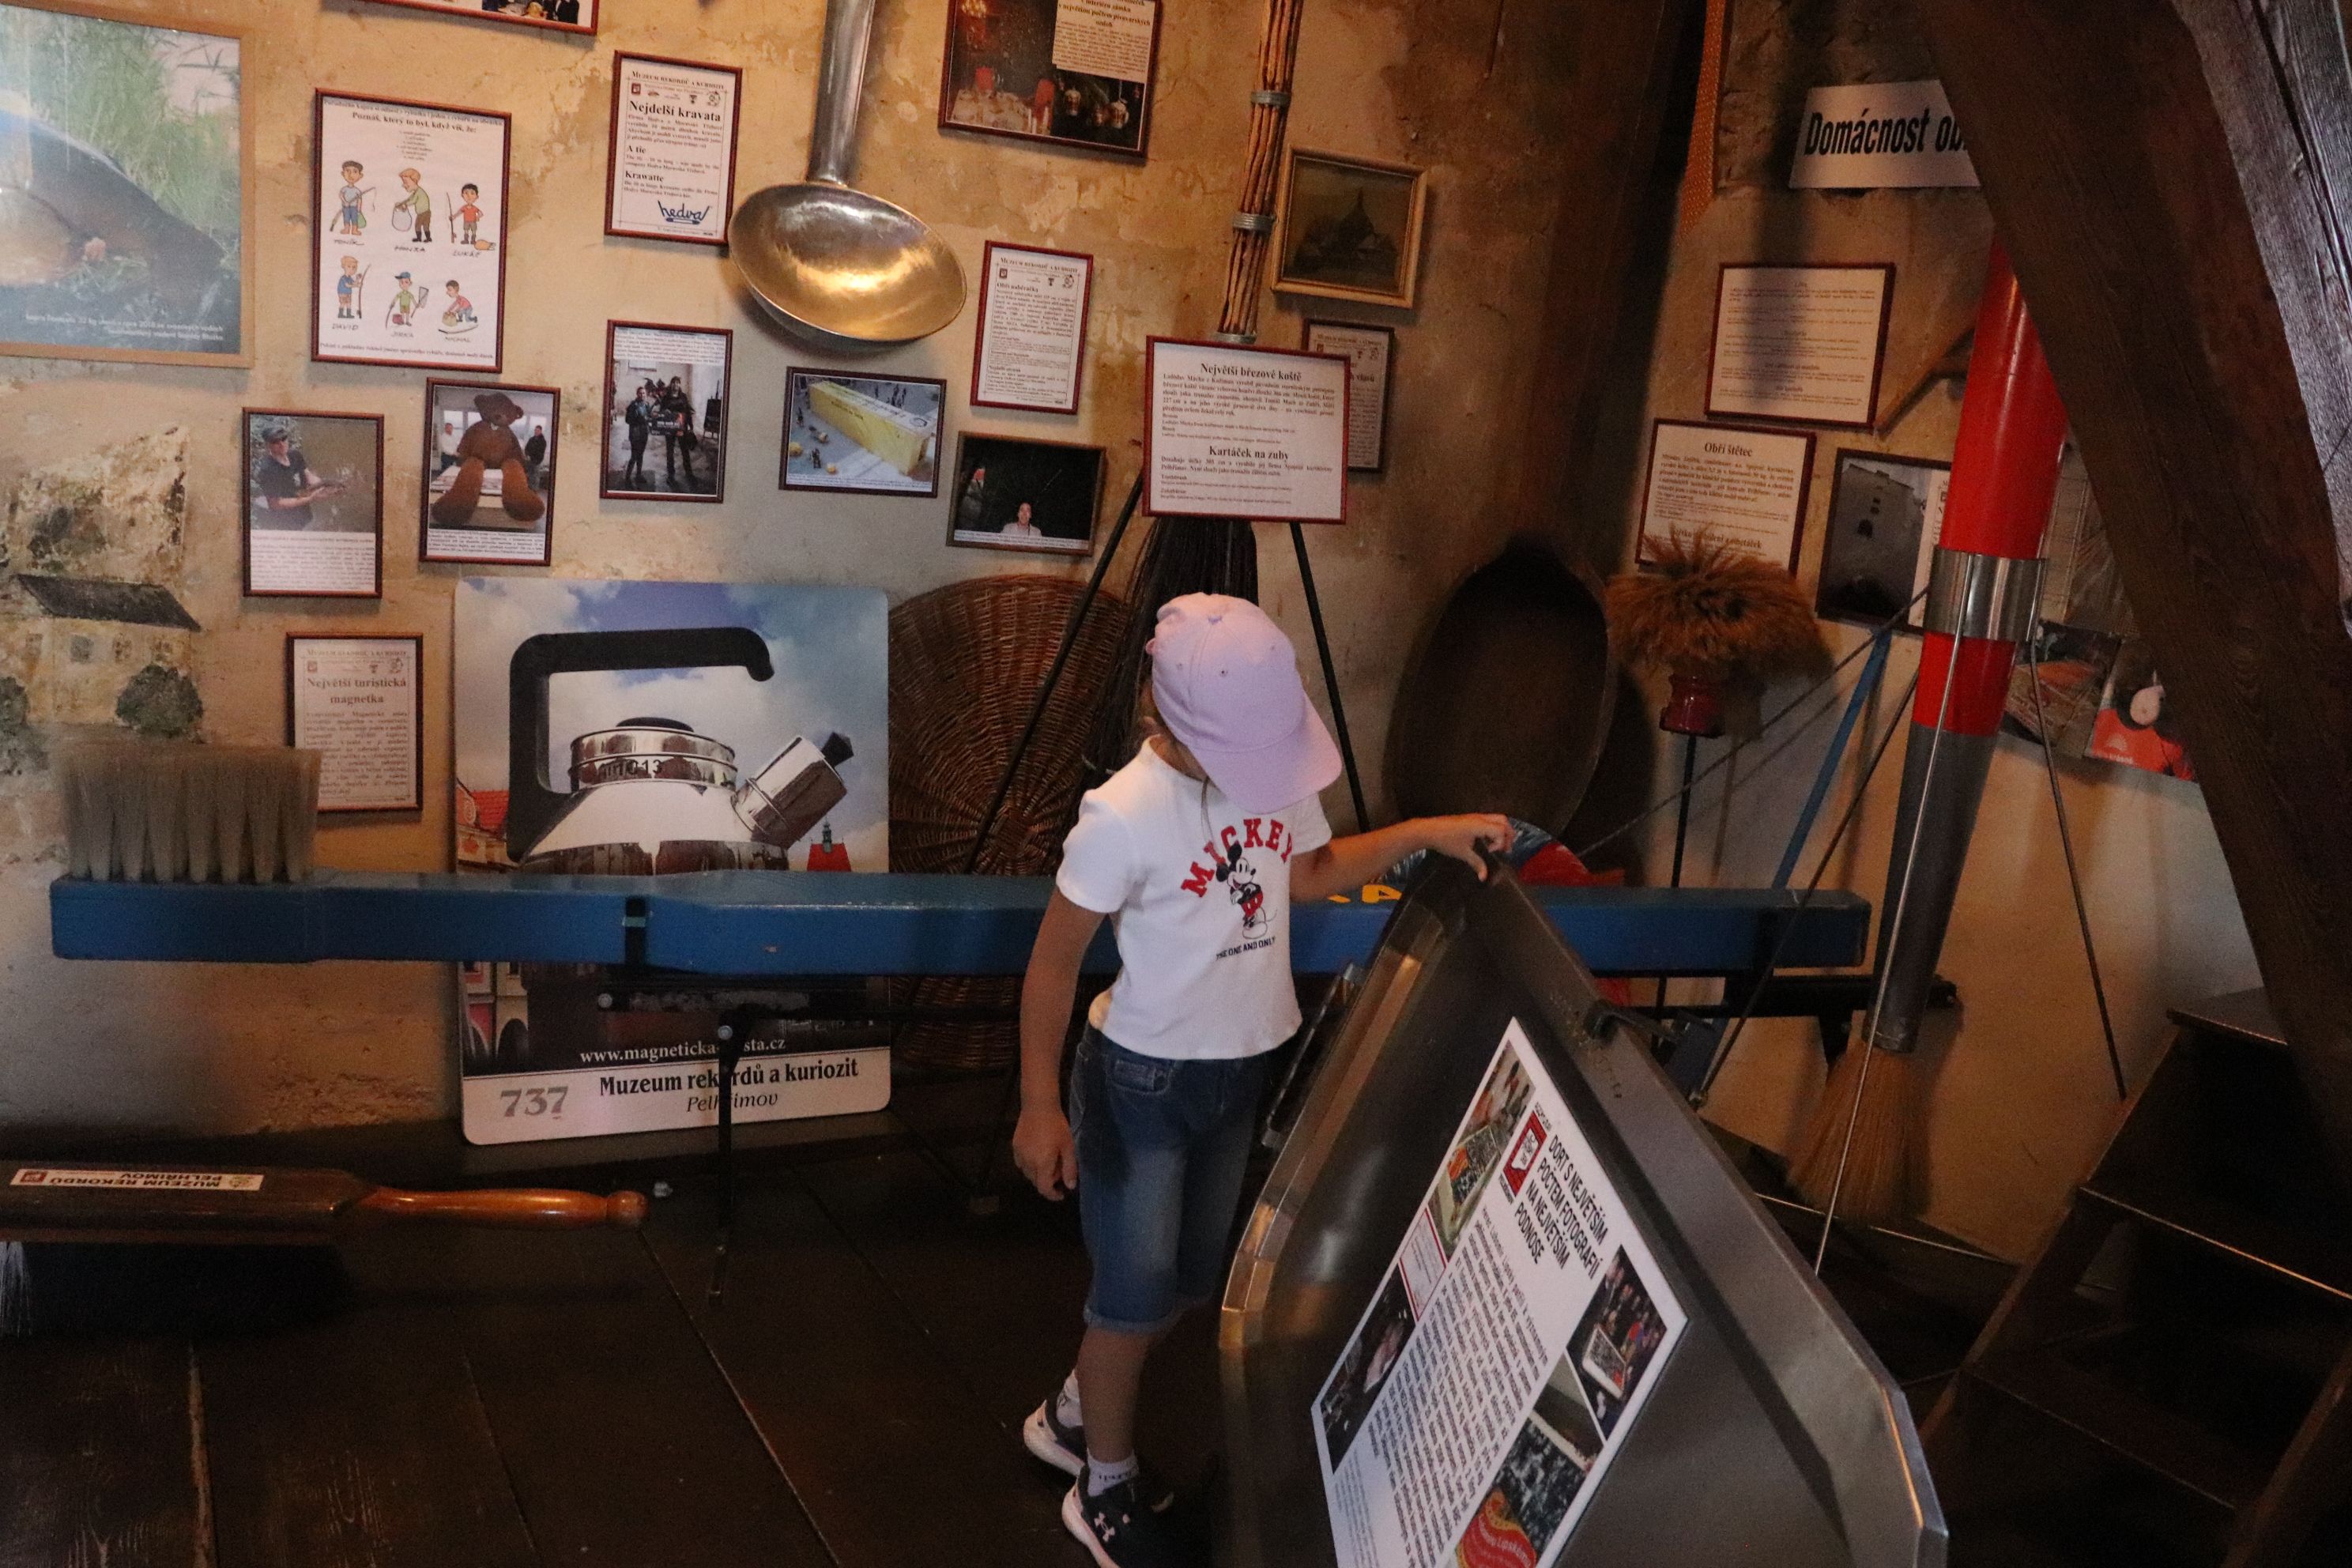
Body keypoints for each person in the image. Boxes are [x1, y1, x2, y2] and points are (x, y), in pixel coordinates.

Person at [1012, 594, 1508, 1566]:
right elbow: (1054, 962)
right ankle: (1100, 1483)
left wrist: (1425, 830)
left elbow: (1309, 871)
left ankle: (1072, 1415)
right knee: (1130, 1299)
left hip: (1238, 1068)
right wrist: (1038, 1104)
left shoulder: (1268, 774)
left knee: (1190, 1283)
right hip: (1141, 1085)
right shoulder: (1122, 815)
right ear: (1166, 717)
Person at [250, 424, 342, 528]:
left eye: (283, 439)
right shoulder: (267, 470)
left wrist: (327, 487)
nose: (282, 444)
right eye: (276, 442)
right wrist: (311, 498)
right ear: (268, 445)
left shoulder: (295, 455)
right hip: (284, 522)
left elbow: (308, 476)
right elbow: (276, 504)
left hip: (305, 515)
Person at [622, 388, 651, 488]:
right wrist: (638, 418)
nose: (642, 395)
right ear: (637, 394)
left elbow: (649, 417)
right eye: (640, 393)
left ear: (646, 394)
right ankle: (627, 477)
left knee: (641, 455)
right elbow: (627, 420)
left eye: (644, 393)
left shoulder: (646, 405)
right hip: (635, 434)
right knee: (634, 456)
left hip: (644, 433)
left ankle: (638, 475)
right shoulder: (633, 405)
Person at [396, 168, 432, 242]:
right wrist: (402, 203)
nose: (404, 185)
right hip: (425, 212)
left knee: (419, 225)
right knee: (425, 226)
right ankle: (427, 238)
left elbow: (413, 201)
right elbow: (409, 199)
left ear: (414, 181)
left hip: (423, 213)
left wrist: (405, 204)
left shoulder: (419, 192)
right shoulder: (416, 192)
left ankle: (421, 238)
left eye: (405, 182)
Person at [335, 160, 368, 236]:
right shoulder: (344, 189)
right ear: (343, 173)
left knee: (354, 219)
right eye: (347, 171)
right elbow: (341, 196)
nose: (351, 175)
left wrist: (359, 209)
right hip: (346, 207)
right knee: (346, 218)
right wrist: (345, 202)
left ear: (360, 176)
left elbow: (359, 200)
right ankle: (346, 229)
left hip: (354, 208)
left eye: (355, 172)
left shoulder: (357, 191)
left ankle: (354, 230)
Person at [457, 183, 484, 247]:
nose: (469, 196)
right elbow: (459, 212)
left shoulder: (474, 208)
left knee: (473, 231)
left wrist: (478, 217)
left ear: (477, 197)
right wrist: (454, 216)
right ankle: (466, 240)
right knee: (466, 230)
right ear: (462, 195)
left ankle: (473, 240)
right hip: (466, 221)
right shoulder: (464, 207)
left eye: (472, 193)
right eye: (466, 193)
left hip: (473, 221)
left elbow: (481, 213)